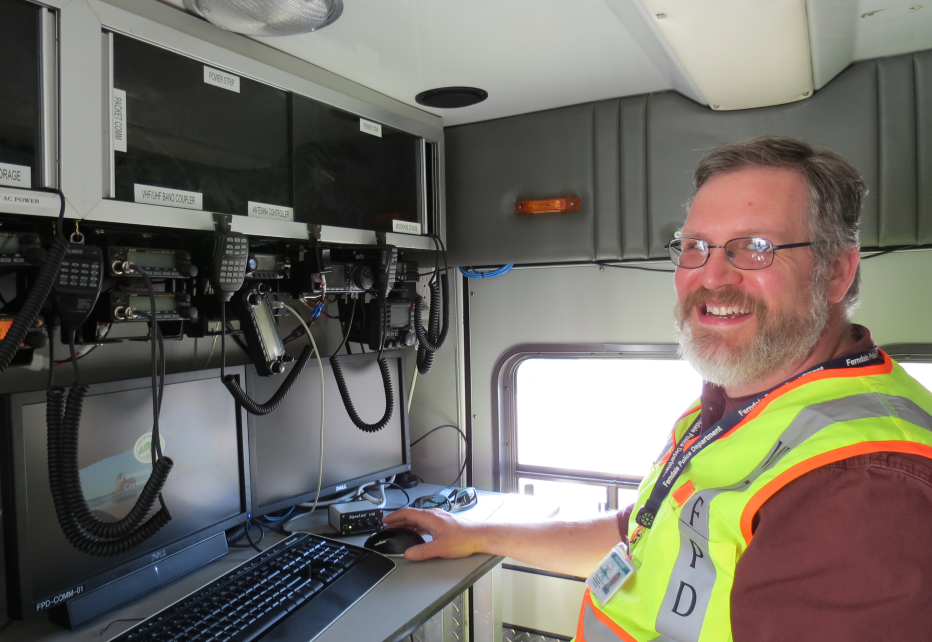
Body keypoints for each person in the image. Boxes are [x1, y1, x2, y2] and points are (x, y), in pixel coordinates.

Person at [384, 136, 932, 641]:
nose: (712, 276)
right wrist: (479, 533)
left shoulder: (861, 488)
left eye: (755, 246)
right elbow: (641, 534)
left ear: (835, 272)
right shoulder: (743, 398)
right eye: (696, 245)